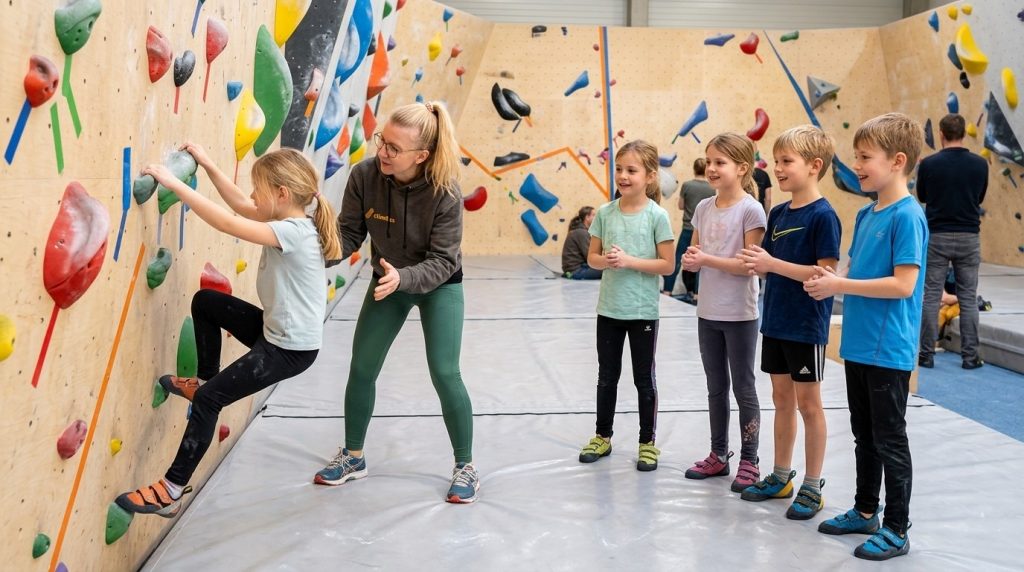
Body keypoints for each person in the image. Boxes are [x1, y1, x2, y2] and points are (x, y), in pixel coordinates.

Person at [115, 146, 340, 517]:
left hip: (291, 350)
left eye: (259, 189)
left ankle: (171, 489)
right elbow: (239, 206)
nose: (252, 195)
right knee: (206, 302)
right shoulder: (292, 221)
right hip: (276, 334)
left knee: (210, 401)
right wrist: (207, 163)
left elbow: (227, 223)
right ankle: (203, 380)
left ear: (282, 194)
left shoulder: (294, 232)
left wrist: (172, 182)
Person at [313, 101, 480, 504]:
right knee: (362, 367)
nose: (382, 152)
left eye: (393, 148)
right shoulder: (364, 175)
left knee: (444, 372)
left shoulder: (445, 193)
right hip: (387, 281)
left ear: (421, 156)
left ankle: (466, 466)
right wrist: (311, 248)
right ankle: (354, 457)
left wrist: (403, 278)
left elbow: (443, 261)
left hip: (438, 284)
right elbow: (349, 235)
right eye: (381, 141)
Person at [804, 112, 926, 561]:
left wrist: (841, 286)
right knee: (864, 434)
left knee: (890, 438)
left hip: (887, 347)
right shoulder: (866, 211)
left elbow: (903, 285)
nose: (856, 165)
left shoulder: (907, 216)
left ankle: (897, 527)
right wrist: (828, 278)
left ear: (897, 161)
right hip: (857, 343)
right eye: (855, 156)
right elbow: (855, 271)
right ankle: (865, 509)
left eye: (865, 157)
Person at [736, 126, 841, 520]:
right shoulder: (778, 212)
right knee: (781, 400)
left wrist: (771, 264)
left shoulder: (824, 215)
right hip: (776, 321)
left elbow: (824, 274)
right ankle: (781, 476)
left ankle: (812, 485)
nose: (777, 169)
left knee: (809, 405)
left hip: (805, 326)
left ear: (814, 166)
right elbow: (768, 265)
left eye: (786, 162)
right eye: (776, 162)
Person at [577, 140, 675, 471]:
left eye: (631, 170)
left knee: (643, 380)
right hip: (610, 311)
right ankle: (602, 436)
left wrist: (630, 261)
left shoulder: (657, 216)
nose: (623, 175)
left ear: (649, 176)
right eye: (619, 169)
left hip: (643, 312)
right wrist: (605, 261)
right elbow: (591, 257)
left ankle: (647, 443)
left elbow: (667, 265)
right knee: (607, 377)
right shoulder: (605, 213)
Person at [681, 133, 767, 492]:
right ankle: (719, 454)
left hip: (740, 314)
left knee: (743, 387)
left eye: (721, 162)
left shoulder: (751, 210)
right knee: (715, 387)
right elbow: (696, 249)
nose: (712, 168)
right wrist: (691, 259)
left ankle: (750, 460)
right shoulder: (703, 207)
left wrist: (704, 260)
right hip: (708, 311)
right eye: (709, 161)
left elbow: (749, 266)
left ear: (742, 168)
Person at [916, 113, 988, 370]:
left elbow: (922, 195)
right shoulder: (980, 164)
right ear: (964, 134)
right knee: (968, 298)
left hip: (937, 234)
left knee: (931, 296)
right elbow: (978, 198)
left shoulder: (929, 164)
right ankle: (970, 357)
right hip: (969, 235)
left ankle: (926, 355)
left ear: (942, 134)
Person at [663, 158, 715, 301]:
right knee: (701, 261)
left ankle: (667, 289)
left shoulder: (687, 185)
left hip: (687, 227)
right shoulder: (711, 188)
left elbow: (680, 205)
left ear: (693, 169)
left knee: (677, 259)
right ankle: (698, 294)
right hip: (703, 230)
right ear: (705, 169)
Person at [562, 206, 602, 279]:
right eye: (594, 215)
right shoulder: (581, 232)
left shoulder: (580, 231)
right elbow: (590, 256)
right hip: (576, 271)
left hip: (578, 268)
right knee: (608, 270)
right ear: (587, 217)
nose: (596, 218)